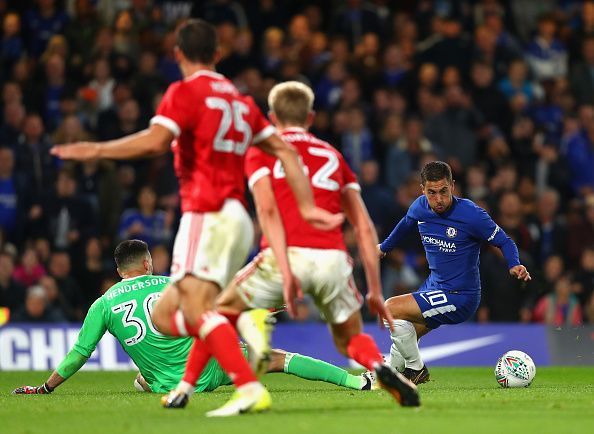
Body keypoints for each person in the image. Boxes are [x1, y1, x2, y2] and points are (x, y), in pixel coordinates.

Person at [50, 19, 342, 417]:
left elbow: (155, 141)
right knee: (189, 309)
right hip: (238, 217)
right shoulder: (241, 102)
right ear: (218, 55)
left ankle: (246, 380)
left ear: (178, 55)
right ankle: (238, 344)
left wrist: (97, 150)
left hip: (205, 213)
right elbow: (287, 152)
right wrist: (307, 206)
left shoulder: (184, 92)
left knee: (172, 315)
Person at [166, 81, 420, 408]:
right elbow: (364, 227)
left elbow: (268, 211)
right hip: (332, 259)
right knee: (350, 339)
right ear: (311, 117)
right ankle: (377, 367)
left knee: (218, 312)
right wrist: (373, 288)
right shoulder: (333, 156)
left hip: (283, 255)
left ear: (272, 116)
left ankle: (184, 389)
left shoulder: (262, 150)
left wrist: (286, 271)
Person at [12, 240, 374, 396]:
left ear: (119, 270)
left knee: (144, 376)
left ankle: (154, 380)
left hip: (169, 384)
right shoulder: (173, 283)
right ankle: (358, 384)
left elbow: (79, 354)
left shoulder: (102, 304)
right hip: (210, 367)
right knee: (278, 359)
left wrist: (44, 387)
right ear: (147, 264)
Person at [378, 161, 531, 384]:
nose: (438, 199)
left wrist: (514, 263)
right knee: (404, 336)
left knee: (389, 309)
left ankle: (416, 369)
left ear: (453, 186)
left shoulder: (471, 214)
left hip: (460, 295)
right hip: (435, 286)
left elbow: (504, 241)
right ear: (423, 190)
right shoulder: (419, 206)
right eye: (432, 193)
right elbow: (406, 224)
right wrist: (383, 248)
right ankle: (392, 373)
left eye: (443, 191)